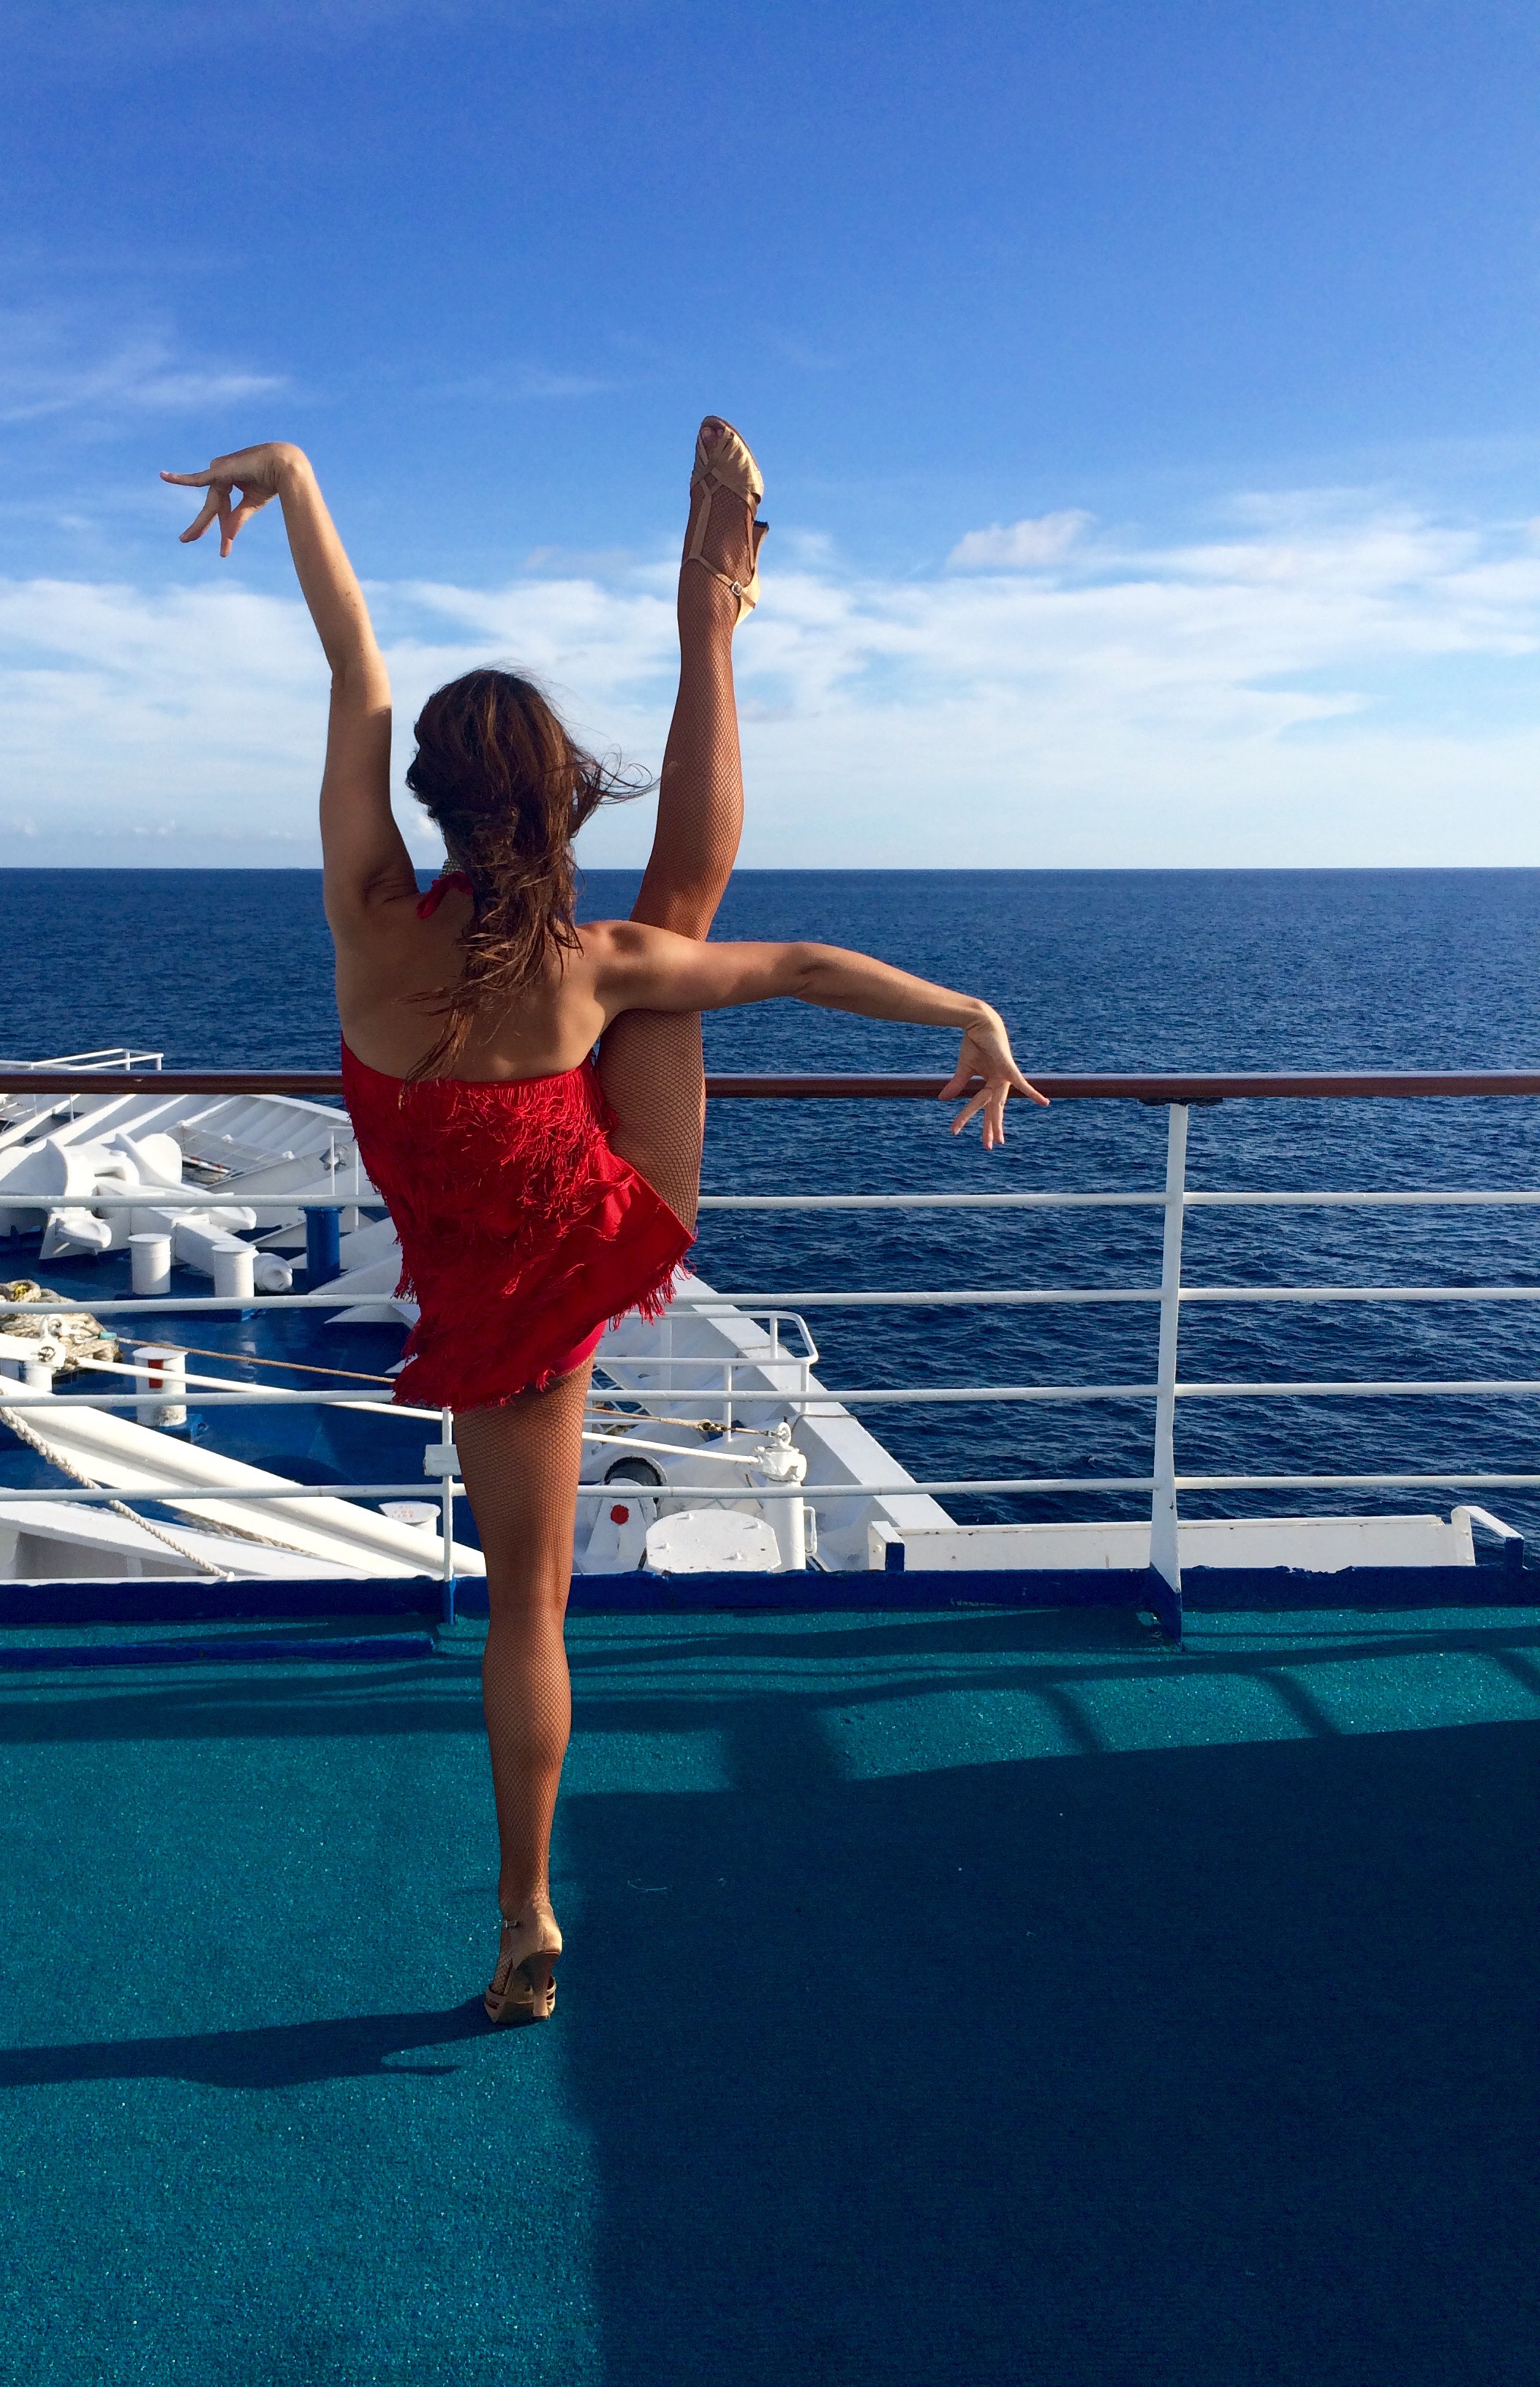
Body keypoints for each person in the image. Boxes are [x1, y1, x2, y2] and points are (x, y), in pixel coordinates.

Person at [164, 425, 1046, 2024]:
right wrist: (968, 1012)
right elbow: (799, 968)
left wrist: (294, 479)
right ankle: (711, 612)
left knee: (526, 1613)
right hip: (600, 1228)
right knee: (685, 926)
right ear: (556, 797)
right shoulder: (592, 964)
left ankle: (526, 1911)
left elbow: (356, 673)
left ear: (430, 804)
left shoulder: (368, 919)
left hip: (497, 1299)